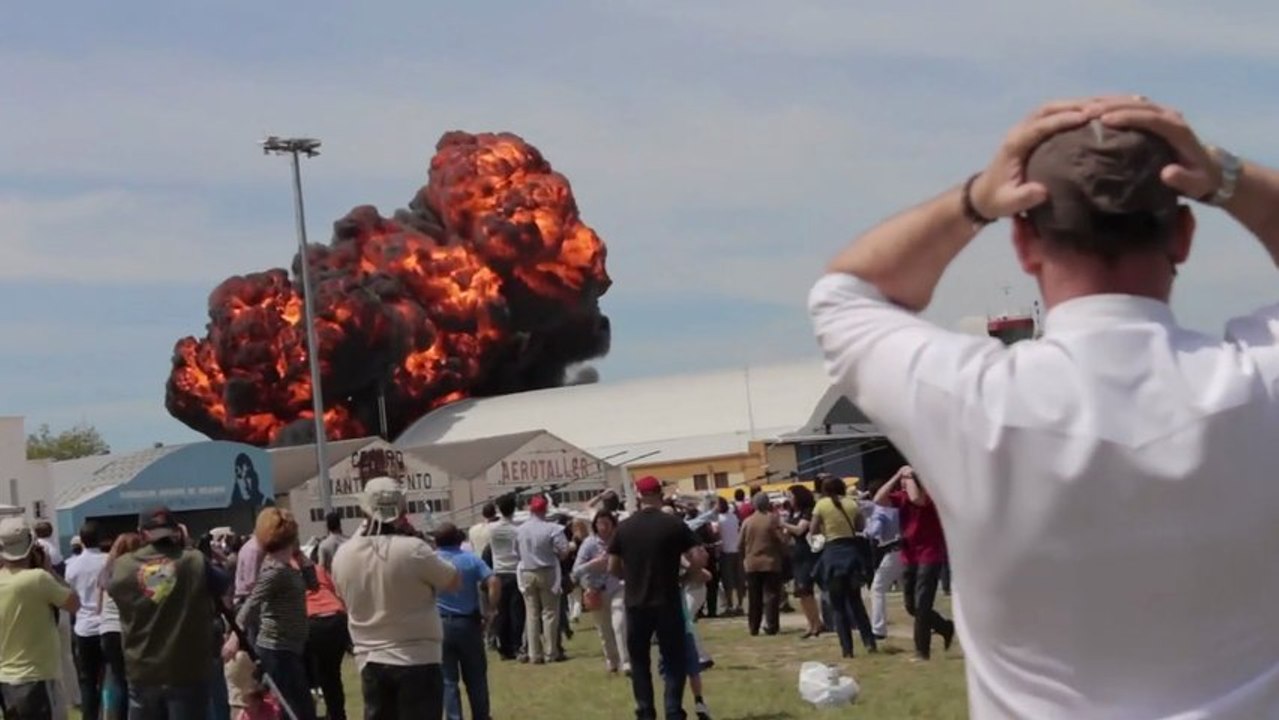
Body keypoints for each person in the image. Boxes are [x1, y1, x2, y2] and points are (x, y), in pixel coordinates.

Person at [809, 94, 1279, 716]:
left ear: (1024, 243)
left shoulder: (969, 398)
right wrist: (1224, 177)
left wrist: (975, 199)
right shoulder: (1258, 381)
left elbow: (846, 292)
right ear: (1184, 236)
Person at [331, 477, 460, 720]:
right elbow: (453, 581)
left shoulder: (344, 555)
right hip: (418, 657)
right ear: (401, 510)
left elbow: (341, 595)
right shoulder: (414, 549)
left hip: (371, 658)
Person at [109, 507, 230, 718]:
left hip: (142, 670)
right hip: (186, 670)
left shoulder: (123, 566)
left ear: (141, 533)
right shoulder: (193, 560)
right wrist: (189, 546)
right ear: (176, 531)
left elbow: (108, 586)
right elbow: (222, 582)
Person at [609, 476, 706, 720]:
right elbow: (698, 556)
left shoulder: (625, 527)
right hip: (667, 600)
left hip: (636, 601)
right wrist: (688, 576)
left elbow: (612, 566)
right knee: (673, 659)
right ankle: (673, 710)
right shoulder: (673, 524)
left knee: (640, 661)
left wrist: (629, 578)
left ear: (639, 495)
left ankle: (645, 710)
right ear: (659, 494)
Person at [229, 508, 315, 720]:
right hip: (277, 650)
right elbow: (252, 602)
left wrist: (301, 556)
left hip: (291, 648)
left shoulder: (286, 567)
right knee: (295, 710)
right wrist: (234, 637)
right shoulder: (275, 569)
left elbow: (312, 584)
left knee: (300, 708)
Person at [0, 516, 80, 720]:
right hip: (37, 677)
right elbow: (74, 603)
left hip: (6, 679)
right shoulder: (38, 579)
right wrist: (49, 570)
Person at [873, 467, 952, 661]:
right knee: (911, 606)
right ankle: (945, 626)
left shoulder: (932, 496)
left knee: (922, 605)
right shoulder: (902, 497)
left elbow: (918, 499)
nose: (903, 483)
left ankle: (921, 652)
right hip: (909, 555)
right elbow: (878, 499)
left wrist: (910, 476)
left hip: (930, 554)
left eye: (907, 480)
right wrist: (897, 475)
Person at [432, 523, 497, 720]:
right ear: (459, 539)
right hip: (468, 623)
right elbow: (493, 581)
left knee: (448, 680)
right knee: (476, 677)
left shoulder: (431, 562)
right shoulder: (470, 559)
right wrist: (490, 610)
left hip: (440, 623)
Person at [810, 477, 876, 658]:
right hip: (851, 553)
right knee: (856, 602)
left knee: (838, 605)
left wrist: (826, 531)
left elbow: (813, 530)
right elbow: (860, 526)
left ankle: (847, 649)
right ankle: (869, 641)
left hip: (832, 554)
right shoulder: (852, 504)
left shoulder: (821, 505)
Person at [571, 511, 629, 675]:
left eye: (607, 523)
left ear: (613, 524)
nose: (603, 527)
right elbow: (576, 571)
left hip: (618, 587)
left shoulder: (620, 541)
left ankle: (626, 661)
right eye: (600, 523)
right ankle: (611, 660)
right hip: (596, 591)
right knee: (604, 630)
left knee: (620, 624)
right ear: (595, 525)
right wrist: (593, 564)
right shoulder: (589, 544)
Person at [514, 495, 570, 664]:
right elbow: (564, 551)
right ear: (545, 509)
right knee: (550, 613)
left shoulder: (520, 530)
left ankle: (534, 653)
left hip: (527, 571)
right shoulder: (553, 528)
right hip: (548, 571)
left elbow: (516, 553)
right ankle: (550, 652)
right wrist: (556, 555)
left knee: (531, 614)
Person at [98, 532, 142, 720]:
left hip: (107, 627)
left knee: (116, 679)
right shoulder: (137, 570)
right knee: (132, 682)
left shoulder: (107, 570)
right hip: (127, 627)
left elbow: (98, 604)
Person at [738, 493, 786, 637]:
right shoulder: (772, 519)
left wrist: (744, 558)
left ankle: (754, 627)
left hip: (752, 563)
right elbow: (780, 540)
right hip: (770, 562)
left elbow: (740, 544)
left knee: (754, 597)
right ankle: (771, 625)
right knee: (771, 595)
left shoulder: (747, 521)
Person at [780, 485, 823, 638]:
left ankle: (816, 624)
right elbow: (787, 535)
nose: (789, 499)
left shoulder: (808, 511)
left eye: (791, 496)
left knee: (807, 589)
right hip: (796, 553)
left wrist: (782, 524)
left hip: (807, 552)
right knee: (800, 592)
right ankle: (810, 623)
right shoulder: (792, 513)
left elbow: (800, 530)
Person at [863, 479, 903, 641]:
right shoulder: (898, 506)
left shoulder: (879, 511)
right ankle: (932, 623)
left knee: (877, 588)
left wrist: (864, 532)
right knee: (912, 591)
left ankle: (878, 628)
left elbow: (874, 532)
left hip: (893, 550)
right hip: (906, 547)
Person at [486, 495, 523, 661]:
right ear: (514, 509)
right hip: (514, 572)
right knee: (516, 612)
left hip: (498, 572)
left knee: (501, 612)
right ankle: (516, 645)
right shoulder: (517, 530)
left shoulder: (492, 529)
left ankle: (503, 647)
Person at [712, 498, 742, 617]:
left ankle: (729, 605)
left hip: (725, 551)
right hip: (737, 550)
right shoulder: (734, 517)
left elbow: (715, 532)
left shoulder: (718, 519)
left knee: (727, 581)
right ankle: (739, 605)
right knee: (739, 580)